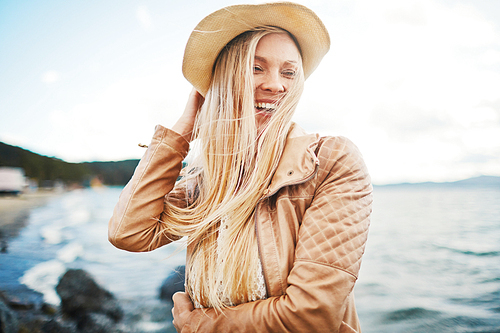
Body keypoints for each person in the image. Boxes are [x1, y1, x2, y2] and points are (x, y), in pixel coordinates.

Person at [108, 2, 373, 332]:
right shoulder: (210, 182)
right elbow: (128, 233)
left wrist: (198, 325)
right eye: (257, 68)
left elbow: (311, 314)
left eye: (289, 72)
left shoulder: (330, 161)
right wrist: (182, 130)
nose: (276, 85)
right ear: (227, 80)